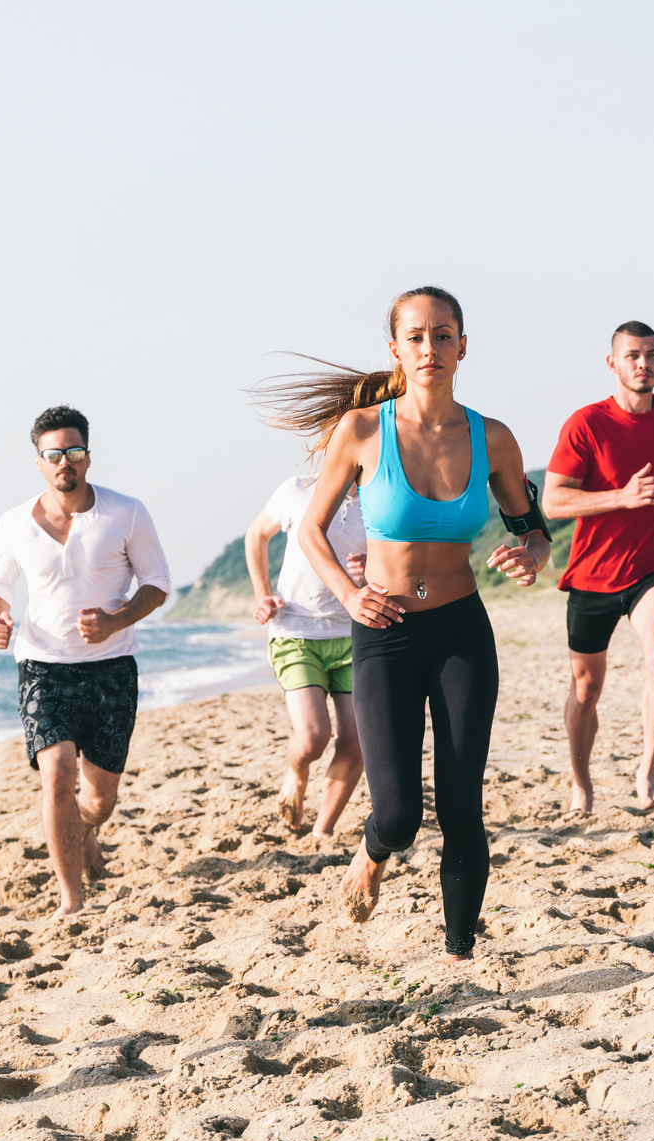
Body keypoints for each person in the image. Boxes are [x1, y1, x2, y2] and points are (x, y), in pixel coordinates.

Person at [263, 287, 552, 961]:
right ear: (396, 349)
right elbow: (307, 531)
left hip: (460, 632)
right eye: (416, 337)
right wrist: (346, 591)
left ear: (462, 345)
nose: (430, 348)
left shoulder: (492, 438)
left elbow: (531, 528)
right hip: (384, 634)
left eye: (443, 335)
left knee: (460, 807)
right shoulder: (362, 432)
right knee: (395, 814)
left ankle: (458, 953)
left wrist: (530, 553)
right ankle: (370, 854)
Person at [0, 406, 172, 916]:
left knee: (99, 800)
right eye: (54, 454)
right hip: (43, 667)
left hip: (111, 668)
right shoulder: (15, 522)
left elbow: (157, 584)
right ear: (39, 462)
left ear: (89, 457)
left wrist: (115, 620)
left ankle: (84, 830)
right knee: (58, 772)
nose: (66, 461)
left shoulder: (125, 512)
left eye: (75, 451)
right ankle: (72, 899)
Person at [542, 320, 654, 813]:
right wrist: (623, 496)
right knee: (585, 689)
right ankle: (581, 783)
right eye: (633, 355)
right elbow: (553, 502)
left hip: (650, 565)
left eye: (652, 355)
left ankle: (648, 773)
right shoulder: (586, 424)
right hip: (590, 574)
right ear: (613, 363)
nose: (644, 364)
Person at [244, 471, 367, 845]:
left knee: (356, 740)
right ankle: (296, 771)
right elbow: (256, 536)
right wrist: (262, 594)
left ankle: (323, 829)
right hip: (296, 630)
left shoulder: (384, 497)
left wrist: (372, 570)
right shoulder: (298, 489)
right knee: (314, 738)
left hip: (355, 631)